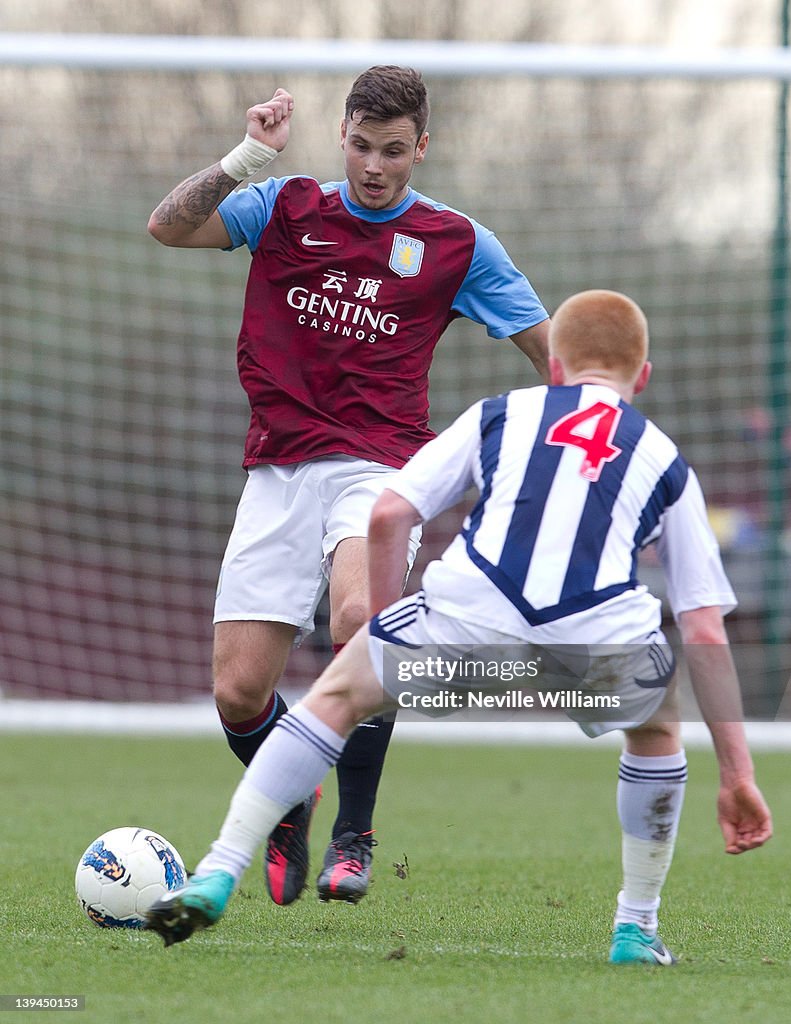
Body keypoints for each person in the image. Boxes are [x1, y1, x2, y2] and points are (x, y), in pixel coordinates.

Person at [145, 288, 772, 960]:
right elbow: (704, 630)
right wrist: (736, 775)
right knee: (655, 730)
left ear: (553, 367)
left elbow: (388, 514)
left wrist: (381, 634)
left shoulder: (500, 414)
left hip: (466, 621)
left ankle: (217, 868)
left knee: (332, 697)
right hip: (592, 646)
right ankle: (634, 929)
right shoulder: (665, 461)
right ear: (640, 378)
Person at [147, 65, 550, 906]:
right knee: (237, 690)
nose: (374, 166)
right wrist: (245, 156)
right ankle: (291, 797)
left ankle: (354, 835)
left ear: (421, 148)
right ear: (342, 136)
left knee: (360, 620)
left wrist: (593, 420)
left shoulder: (456, 244)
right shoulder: (285, 205)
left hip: (381, 465)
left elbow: (551, 355)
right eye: (362, 146)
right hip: (279, 466)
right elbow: (167, 227)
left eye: (393, 151)